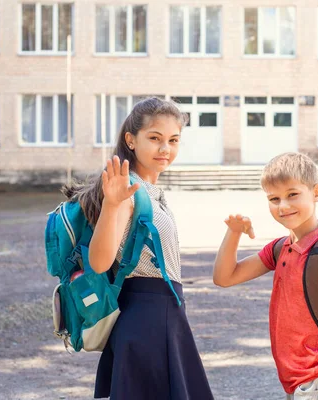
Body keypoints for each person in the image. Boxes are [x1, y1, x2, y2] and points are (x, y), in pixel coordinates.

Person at [62, 97, 213, 400]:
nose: (165, 149)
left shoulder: (149, 191)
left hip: (160, 317)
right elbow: (100, 261)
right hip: (148, 319)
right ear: (131, 140)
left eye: (173, 140)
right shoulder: (128, 191)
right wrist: (113, 205)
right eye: (154, 138)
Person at [213, 152, 318, 399]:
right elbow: (224, 277)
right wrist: (234, 233)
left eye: (292, 194)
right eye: (274, 198)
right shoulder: (280, 248)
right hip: (298, 382)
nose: (283, 206)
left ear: (316, 192)